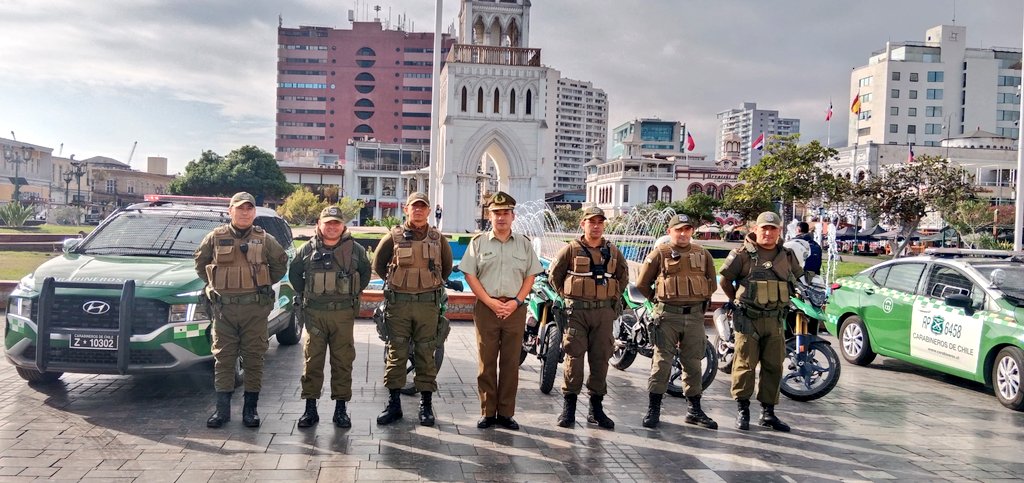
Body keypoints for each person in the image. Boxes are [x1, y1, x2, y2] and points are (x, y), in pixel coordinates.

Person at [194, 192, 288, 429]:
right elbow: (200, 264)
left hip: (254, 311)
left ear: (254, 212)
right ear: (230, 211)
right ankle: (222, 410)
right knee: (223, 359)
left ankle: (250, 410)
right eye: (240, 209)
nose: (244, 213)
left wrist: (261, 283)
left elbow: (280, 264)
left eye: (249, 209)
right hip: (224, 310)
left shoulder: (264, 239)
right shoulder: (215, 237)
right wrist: (217, 284)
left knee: (254, 359)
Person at [460, 192, 544, 431]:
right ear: (489, 215)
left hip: (514, 309)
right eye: (496, 213)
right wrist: (489, 301)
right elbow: (470, 275)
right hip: (487, 308)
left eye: (505, 213)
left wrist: (517, 301)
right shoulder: (479, 243)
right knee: (486, 362)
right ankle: (487, 412)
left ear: (513, 216)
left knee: (510, 363)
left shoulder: (524, 243)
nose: (501, 218)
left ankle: (506, 413)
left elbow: (530, 275)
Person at [373, 192, 453, 426]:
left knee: (426, 354)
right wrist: (401, 283)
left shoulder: (439, 239)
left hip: (428, 305)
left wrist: (426, 285)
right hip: (399, 305)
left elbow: (445, 269)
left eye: (423, 207)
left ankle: (425, 405)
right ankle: (394, 404)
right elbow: (378, 265)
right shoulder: (394, 236)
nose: (418, 210)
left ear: (429, 211)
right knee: (396, 353)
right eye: (414, 207)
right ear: (406, 209)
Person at [719, 211, 804, 432]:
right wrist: (735, 300)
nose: (768, 232)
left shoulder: (786, 255)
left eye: (773, 228)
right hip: (749, 320)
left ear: (779, 231)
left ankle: (768, 413)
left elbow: (798, 279)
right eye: (764, 228)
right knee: (745, 366)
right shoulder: (742, 254)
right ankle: (743, 410)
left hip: (775, 320)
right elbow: (725, 281)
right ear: (755, 230)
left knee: (774, 366)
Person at [548, 206, 629, 430]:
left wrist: (609, 297)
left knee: (601, 359)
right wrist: (569, 296)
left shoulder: (613, 251)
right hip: (577, 313)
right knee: (574, 357)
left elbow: (623, 277)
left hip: (603, 313)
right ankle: (569, 409)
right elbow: (554, 276)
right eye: (591, 222)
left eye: (600, 222)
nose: (596, 226)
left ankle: (596, 410)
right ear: (582, 224)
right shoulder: (571, 250)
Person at [290, 206, 371, 429]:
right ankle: (310, 409)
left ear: (343, 225)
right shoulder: (307, 249)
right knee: (312, 361)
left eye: (336, 222)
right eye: (328, 222)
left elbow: (364, 274)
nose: (332, 227)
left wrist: (350, 292)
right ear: (319, 224)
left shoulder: (355, 251)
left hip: (342, 314)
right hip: (315, 313)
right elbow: (295, 275)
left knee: (343, 361)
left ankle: (341, 409)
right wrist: (309, 295)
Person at [635, 214, 718, 430]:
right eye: (678, 229)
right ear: (669, 231)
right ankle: (654, 409)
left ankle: (694, 410)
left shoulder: (703, 254)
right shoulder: (659, 254)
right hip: (667, 316)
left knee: (693, 363)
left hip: (694, 317)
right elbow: (643, 284)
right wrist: (658, 300)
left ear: (692, 231)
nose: (683, 234)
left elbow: (712, 283)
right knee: (662, 363)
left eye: (687, 229)